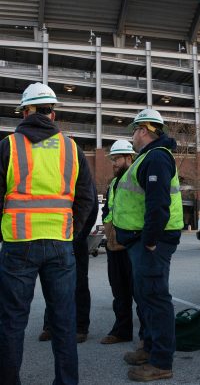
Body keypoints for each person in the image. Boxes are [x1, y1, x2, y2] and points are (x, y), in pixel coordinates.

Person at [0, 82, 94, 385]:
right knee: (64, 321)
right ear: (52, 113)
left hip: (18, 244)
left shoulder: (9, 145)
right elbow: (86, 198)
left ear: (26, 111)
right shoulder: (71, 147)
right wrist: (72, 232)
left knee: (12, 322)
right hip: (60, 245)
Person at [112, 109, 184, 382]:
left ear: (143, 130)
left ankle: (161, 361)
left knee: (155, 298)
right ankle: (151, 348)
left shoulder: (156, 157)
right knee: (146, 296)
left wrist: (151, 241)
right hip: (142, 241)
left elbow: (158, 204)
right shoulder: (147, 158)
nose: (132, 136)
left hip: (152, 242)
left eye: (134, 130)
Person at [38, 181, 99, 344]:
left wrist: (78, 234)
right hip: (53, 238)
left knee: (79, 283)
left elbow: (91, 207)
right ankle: (50, 325)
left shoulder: (79, 171)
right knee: (52, 283)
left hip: (74, 239)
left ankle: (80, 327)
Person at [100, 139, 143, 345]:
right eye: (112, 159)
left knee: (141, 294)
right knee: (119, 292)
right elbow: (107, 209)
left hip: (133, 245)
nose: (113, 163)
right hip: (114, 246)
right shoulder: (114, 183)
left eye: (117, 158)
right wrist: (109, 230)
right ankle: (121, 331)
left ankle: (147, 337)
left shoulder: (137, 177)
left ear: (129, 157)